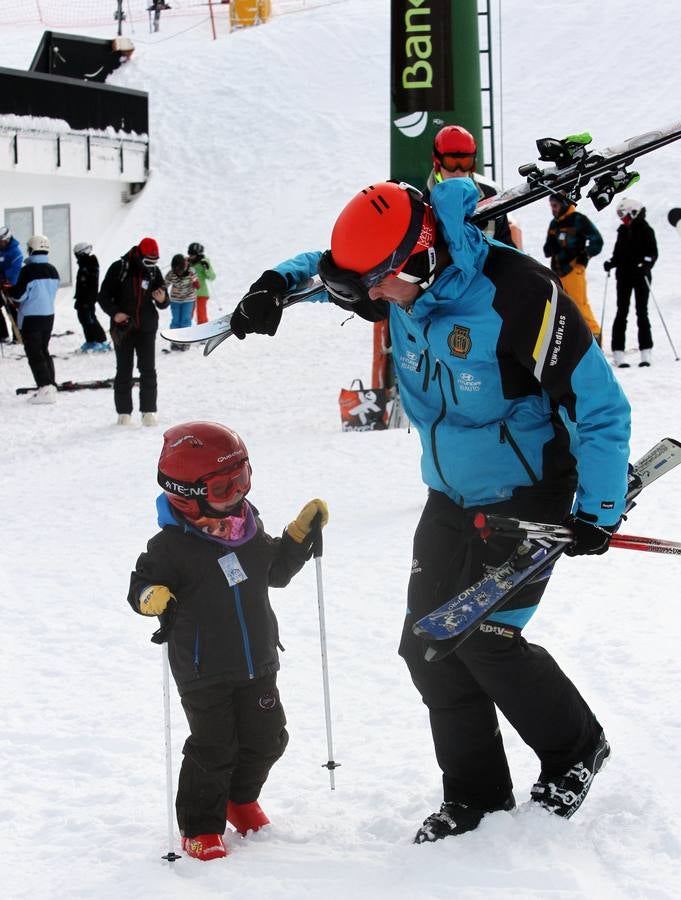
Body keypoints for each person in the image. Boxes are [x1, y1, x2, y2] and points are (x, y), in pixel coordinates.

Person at [228, 177, 631, 841]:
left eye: (381, 285)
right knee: (426, 646)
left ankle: (575, 748)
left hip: (527, 491)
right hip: (449, 493)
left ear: (420, 260)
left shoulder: (517, 296)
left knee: (488, 641)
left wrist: (598, 507)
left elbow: (598, 404)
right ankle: (475, 797)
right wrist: (276, 284)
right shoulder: (395, 278)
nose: (374, 301)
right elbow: (329, 269)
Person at [127, 421, 328, 860]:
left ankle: (238, 798)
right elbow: (139, 586)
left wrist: (296, 538)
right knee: (214, 746)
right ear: (188, 494)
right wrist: (150, 596)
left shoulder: (247, 527)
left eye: (243, 480)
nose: (238, 494)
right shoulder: (171, 548)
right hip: (204, 670)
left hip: (257, 659)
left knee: (269, 739)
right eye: (224, 488)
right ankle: (201, 824)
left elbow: (273, 571)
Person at [97, 237, 169, 426]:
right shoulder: (119, 268)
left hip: (146, 327)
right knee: (123, 370)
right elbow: (103, 296)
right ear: (139, 255)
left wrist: (162, 300)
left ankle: (149, 411)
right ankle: (123, 413)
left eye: (155, 262)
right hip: (123, 328)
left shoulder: (153, 272)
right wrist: (115, 313)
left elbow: (164, 300)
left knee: (148, 370)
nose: (151, 265)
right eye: (148, 261)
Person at [425, 125, 517, 248]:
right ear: (438, 161)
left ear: (473, 163)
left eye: (464, 163)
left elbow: (505, 244)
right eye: (451, 163)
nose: (458, 171)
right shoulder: (424, 205)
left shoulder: (490, 195)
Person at [604, 197, 658, 368]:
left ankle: (646, 351)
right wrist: (611, 263)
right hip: (624, 276)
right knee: (622, 312)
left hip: (641, 276)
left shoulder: (646, 230)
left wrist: (646, 265)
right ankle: (618, 352)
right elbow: (618, 253)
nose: (622, 219)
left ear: (633, 212)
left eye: (624, 214)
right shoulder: (622, 231)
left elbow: (653, 252)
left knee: (642, 312)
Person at [544, 194, 604, 343]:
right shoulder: (554, 224)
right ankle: (573, 341)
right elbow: (547, 250)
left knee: (580, 305)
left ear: (564, 204)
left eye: (555, 206)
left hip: (574, 270)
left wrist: (585, 256)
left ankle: (595, 336)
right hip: (557, 272)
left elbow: (597, 241)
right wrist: (551, 246)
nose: (553, 209)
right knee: (563, 308)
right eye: (551, 206)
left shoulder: (578, 220)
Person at [8, 234, 60, 404]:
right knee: (44, 350)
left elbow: (19, 296)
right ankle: (50, 385)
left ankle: (44, 388)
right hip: (48, 316)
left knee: (34, 354)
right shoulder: (53, 270)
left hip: (31, 318)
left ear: (31, 249)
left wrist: (10, 291)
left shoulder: (28, 271)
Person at [73, 242, 109, 352]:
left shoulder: (88, 265)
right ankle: (92, 340)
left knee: (88, 319)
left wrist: (86, 299)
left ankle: (98, 340)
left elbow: (90, 285)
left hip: (87, 299)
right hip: (84, 298)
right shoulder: (86, 264)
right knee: (85, 318)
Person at [165, 253, 199, 349]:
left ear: (184, 266)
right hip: (175, 300)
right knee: (176, 320)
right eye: (176, 271)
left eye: (180, 270)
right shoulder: (171, 273)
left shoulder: (191, 271)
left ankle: (185, 341)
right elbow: (164, 285)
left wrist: (195, 281)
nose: (178, 273)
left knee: (185, 320)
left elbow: (197, 286)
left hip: (188, 299)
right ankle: (175, 341)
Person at [0, 224, 24, 343]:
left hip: (11, 285)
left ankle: (18, 336)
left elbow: (16, 270)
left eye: (2, 241)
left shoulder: (15, 252)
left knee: (12, 310)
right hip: (0, 283)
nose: (1, 243)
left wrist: (5, 278)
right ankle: (3, 334)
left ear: (8, 239)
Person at [187, 242, 216, 324]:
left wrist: (207, 268)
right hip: (188, 293)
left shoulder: (204, 263)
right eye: (189, 253)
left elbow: (212, 277)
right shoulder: (188, 262)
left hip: (201, 293)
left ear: (198, 254)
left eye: (193, 254)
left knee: (201, 314)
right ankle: (185, 331)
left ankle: (203, 332)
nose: (190, 256)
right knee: (187, 314)